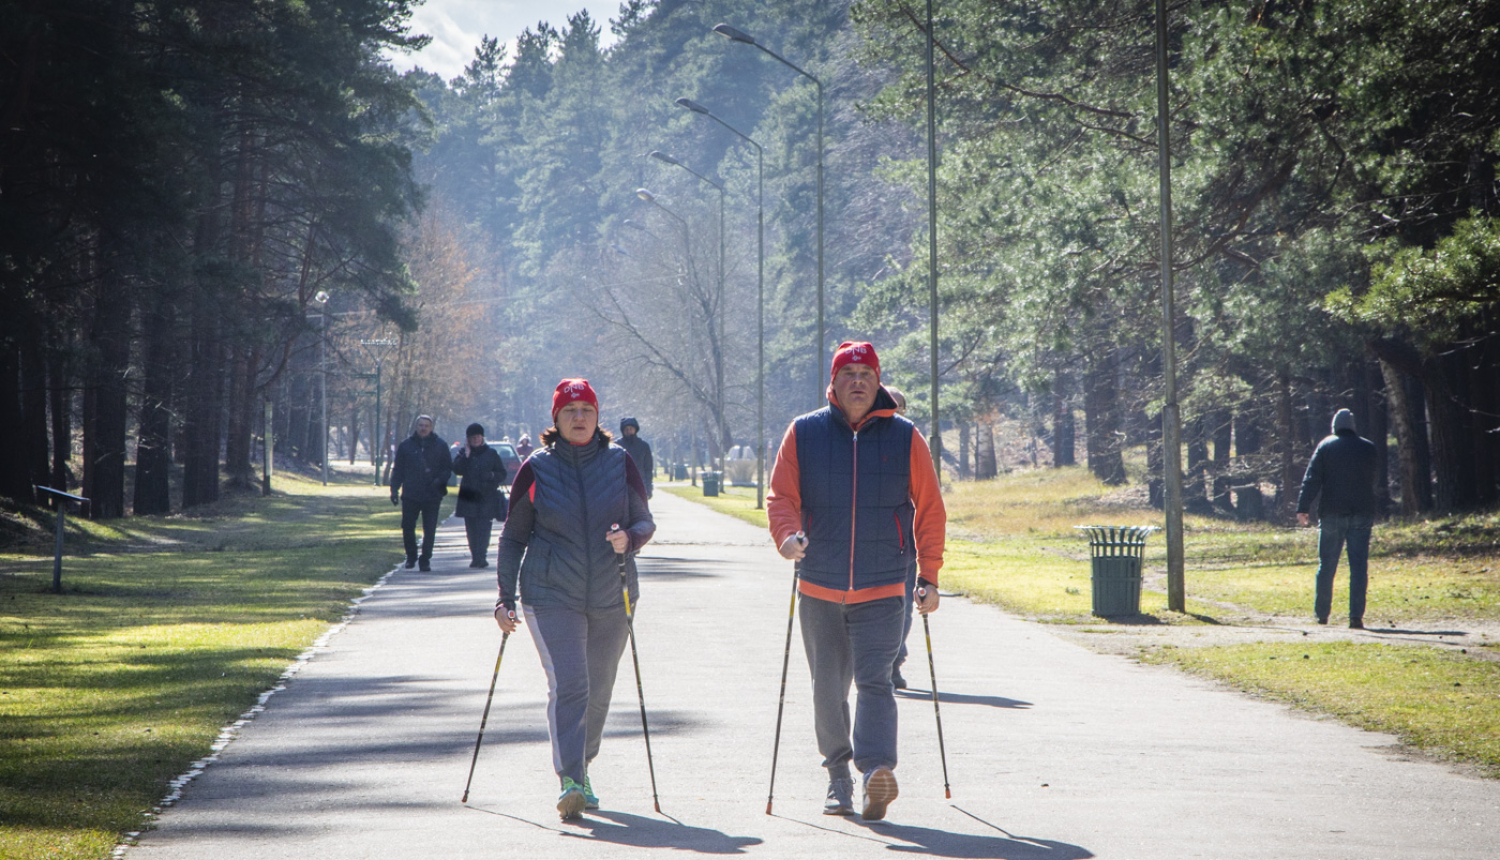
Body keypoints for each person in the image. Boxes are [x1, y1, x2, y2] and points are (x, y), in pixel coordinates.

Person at [767, 342, 946, 821]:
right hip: (819, 586)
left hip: (884, 585)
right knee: (828, 688)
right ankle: (838, 776)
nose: (859, 381)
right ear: (834, 382)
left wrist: (928, 575)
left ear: (880, 381)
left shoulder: (905, 436)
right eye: (849, 373)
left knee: (875, 682)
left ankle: (876, 773)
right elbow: (781, 497)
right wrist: (786, 538)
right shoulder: (803, 432)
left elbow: (929, 508)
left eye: (867, 373)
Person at [494, 378, 655, 821]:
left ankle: (582, 766)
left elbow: (645, 521)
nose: (579, 417)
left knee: (599, 690)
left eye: (586, 409)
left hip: (612, 592)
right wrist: (503, 597)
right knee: (571, 684)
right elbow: (512, 538)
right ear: (556, 420)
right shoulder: (536, 468)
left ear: (598, 416)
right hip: (551, 594)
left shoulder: (620, 462)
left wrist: (630, 538)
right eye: (570, 411)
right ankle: (570, 779)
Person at [1296, 408, 1378, 629]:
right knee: (1359, 566)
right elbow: (1373, 480)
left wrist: (1303, 507)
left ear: (1335, 427)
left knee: (1327, 565)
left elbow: (1312, 479)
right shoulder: (1368, 448)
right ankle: (1355, 617)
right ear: (1352, 426)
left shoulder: (1326, 446)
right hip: (1361, 513)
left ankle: (1322, 614)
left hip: (1332, 513)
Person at [881, 386, 919, 690]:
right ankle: (878, 662)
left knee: (903, 607)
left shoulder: (910, 441)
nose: (896, 411)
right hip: (874, 542)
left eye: (900, 407)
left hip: (906, 544)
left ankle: (893, 661)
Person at [390, 415, 451, 572]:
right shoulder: (406, 446)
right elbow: (398, 470)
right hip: (411, 493)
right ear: (416, 427)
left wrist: (439, 481)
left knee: (429, 528)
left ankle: (425, 559)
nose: (423, 428)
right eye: (421, 425)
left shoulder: (441, 445)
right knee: (408, 526)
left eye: (426, 426)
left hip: (432, 494)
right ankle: (411, 557)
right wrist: (394, 489)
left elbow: (447, 468)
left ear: (431, 428)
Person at [453, 422, 508, 569]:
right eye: (472, 437)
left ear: (482, 437)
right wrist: (467, 455)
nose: (476, 439)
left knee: (484, 528)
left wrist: (490, 475)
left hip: (487, 496)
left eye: (478, 436)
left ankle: (482, 556)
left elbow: (502, 473)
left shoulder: (491, 454)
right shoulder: (463, 453)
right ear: (468, 439)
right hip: (469, 496)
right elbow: (457, 469)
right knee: (471, 528)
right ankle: (475, 556)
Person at [616, 417, 654, 499]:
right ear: (623, 430)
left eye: (631, 428)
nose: (629, 431)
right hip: (621, 486)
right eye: (626, 429)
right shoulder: (617, 445)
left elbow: (648, 468)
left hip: (639, 485)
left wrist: (649, 488)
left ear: (635, 429)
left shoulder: (644, 446)